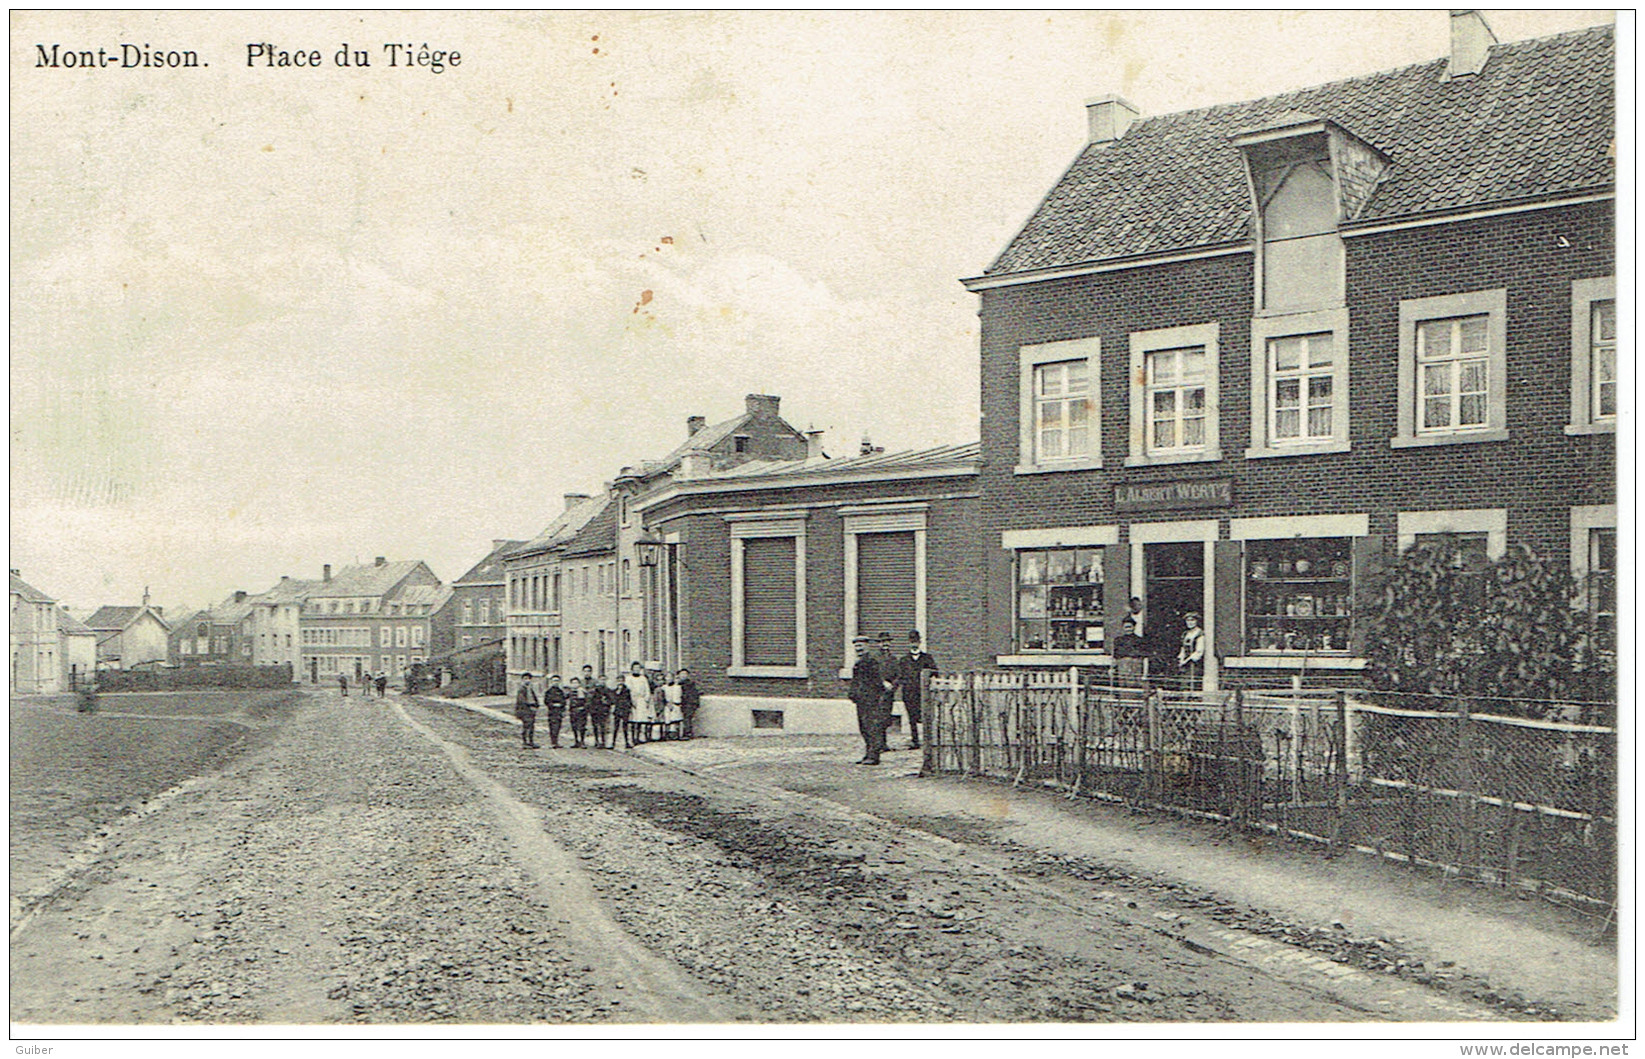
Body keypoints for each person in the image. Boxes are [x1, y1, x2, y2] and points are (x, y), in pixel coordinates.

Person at [887, 629, 938, 750]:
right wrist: (892, 689)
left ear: (920, 642)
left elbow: (935, 673)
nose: (914, 644)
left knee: (926, 717)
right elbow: (900, 676)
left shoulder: (927, 658)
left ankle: (927, 740)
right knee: (912, 718)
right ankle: (915, 740)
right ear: (909, 643)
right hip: (909, 693)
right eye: (912, 642)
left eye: (916, 641)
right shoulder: (904, 660)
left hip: (923, 693)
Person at [846, 635, 889, 765]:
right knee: (864, 727)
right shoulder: (859, 661)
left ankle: (873, 755)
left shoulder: (870, 661)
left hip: (870, 699)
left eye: (860, 646)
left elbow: (876, 681)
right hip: (861, 699)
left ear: (867, 646)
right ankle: (868, 754)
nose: (858, 649)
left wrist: (874, 696)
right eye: (856, 646)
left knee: (871, 727)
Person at [1112, 615, 1149, 686]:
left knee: (1136, 688)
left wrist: (1145, 674)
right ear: (1123, 628)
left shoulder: (1140, 640)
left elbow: (1145, 658)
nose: (1128, 629)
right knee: (1123, 688)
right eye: (1126, 627)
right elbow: (1114, 658)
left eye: (1130, 627)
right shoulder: (1118, 641)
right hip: (1122, 668)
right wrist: (1112, 669)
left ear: (1134, 627)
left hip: (1136, 668)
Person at [624, 662, 654, 744]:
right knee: (634, 720)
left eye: (638, 668)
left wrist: (647, 699)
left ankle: (640, 737)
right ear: (632, 669)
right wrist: (631, 700)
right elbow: (628, 690)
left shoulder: (643, 678)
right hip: (633, 700)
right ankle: (634, 738)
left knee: (641, 720)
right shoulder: (629, 678)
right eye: (635, 668)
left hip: (642, 700)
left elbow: (647, 689)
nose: (636, 670)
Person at [1178, 611, 1206, 688]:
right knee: (1184, 683)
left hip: (1194, 664)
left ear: (1197, 621)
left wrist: (1187, 660)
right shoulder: (1186, 634)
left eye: (1192, 620)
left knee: (1193, 683)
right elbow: (1183, 648)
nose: (1190, 622)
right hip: (1185, 664)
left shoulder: (1199, 634)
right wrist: (1181, 659)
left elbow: (1199, 651)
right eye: (1188, 620)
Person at [514, 672, 540, 749]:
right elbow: (522, 701)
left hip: (531, 710)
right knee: (526, 726)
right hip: (524, 711)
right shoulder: (521, 689)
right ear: (522, 680)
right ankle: (525, 742)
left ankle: (531, 742)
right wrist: (530, 706)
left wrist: (536, 705)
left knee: (531, 726)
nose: (527, 680)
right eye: (525, 679)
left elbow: (534, 699)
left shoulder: (530, 689)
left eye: (529, 679)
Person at [542, 674, 567, 748]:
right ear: (551, 682)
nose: (555, 682)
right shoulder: (549, 692)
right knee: (553, 726)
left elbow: (563, 701)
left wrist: (562, 707)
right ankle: (553, 742)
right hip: (552, 711)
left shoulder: (561, 691)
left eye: (557, 681)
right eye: (554, 681)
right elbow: (546, 701)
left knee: (558, 726)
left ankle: (556, 742)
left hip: (559, 711)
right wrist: (553, 705)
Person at [675, 668, 701, 740]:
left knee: (687, 718)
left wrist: (695, 704)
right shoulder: (677, 684)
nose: (683, 676)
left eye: (685, 674)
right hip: (680, 703)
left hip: (688, 703)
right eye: (682, 674)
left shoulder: (690, 684)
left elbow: (694, 694)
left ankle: (687, 733)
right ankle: (678, 733)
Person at [589, 675, 614, 749]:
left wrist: (606, 702)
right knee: (595, 726)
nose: (602, 681)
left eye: (604, 680)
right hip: (595, 710)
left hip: (604, 710)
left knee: (603, 726)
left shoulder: (608, 690)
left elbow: (612, 700)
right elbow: (590, 700)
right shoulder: (594, 690)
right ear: (598, 681)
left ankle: (603, 741)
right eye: (601, 680)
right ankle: (597, 741)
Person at [610, 674, 634, 749]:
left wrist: (628, 709)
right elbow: (613, 700)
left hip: (624, 710)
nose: (620, 682)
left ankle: (627, 742)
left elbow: (629, 700)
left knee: (625, 727)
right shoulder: (614, 691)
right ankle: (613, 743)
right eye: (619, 681)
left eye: (621, 681)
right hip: (617, 710)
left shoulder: (627, 690)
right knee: (615, 727)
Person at [567, 675, 591, 748]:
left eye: (576, 683)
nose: (575, 684)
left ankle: (582, 741)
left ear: (579, 683)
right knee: (574, 726)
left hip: (581, 711)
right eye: (573, 683)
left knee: (582, 727)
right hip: (573, 711)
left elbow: (588, 701)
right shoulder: (570, 692)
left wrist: (584, 708)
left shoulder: (582, 691)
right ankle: (576, 741)